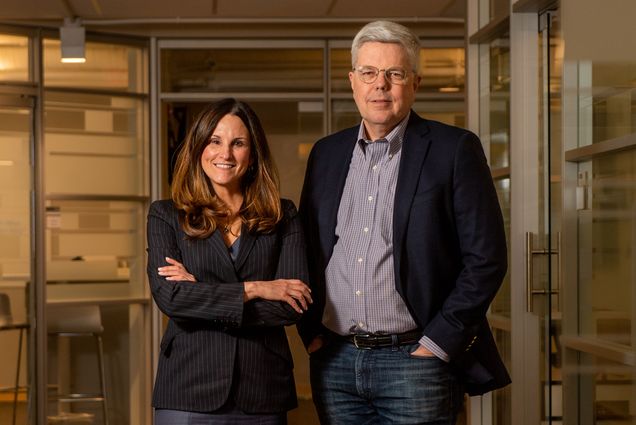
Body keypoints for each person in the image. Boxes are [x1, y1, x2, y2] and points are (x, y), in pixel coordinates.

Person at [298, 21, 510, 424]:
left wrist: (438, 342)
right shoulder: (326, 154)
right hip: (336, 361)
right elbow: (308, 245)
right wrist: (311, 333)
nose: (381, 85)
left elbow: (486, 257)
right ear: (353, 81)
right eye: (369, 73)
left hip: (416, 362)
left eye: (394, 74)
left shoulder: (454, 149)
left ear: (414, 82)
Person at [147, 98, 311, 424]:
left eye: (238, 143)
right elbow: (172, 297)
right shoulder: (166, 215)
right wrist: (257, 288)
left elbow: (291, 303)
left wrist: (203, 294)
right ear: (198, 149)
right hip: (188, 387)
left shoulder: (283, 215)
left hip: (262, 387)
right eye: (214, 141)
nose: (225, 154)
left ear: (252, 155)